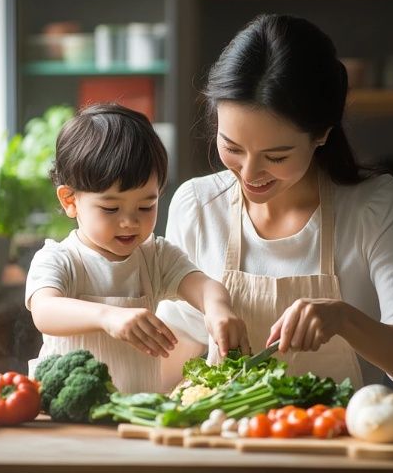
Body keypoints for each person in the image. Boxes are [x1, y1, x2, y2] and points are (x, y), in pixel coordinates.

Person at [157, 14, 393, 391]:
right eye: (232, 148)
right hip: (225, 439)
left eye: (276, 157)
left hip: (341, 441)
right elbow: (177, 342)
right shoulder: (196, 205)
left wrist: (344, 320)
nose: (249, 173)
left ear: (322, 134)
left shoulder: (374, 206)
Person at [25, 103, 249, 393]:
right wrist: (108, 317)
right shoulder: (59, 259)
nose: (130, 222)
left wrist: (218, 309)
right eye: (111, 208)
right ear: (70, 200)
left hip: (136, 414)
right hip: (65, 420)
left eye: (147, 205)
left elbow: (205, 286)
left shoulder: (154, 257)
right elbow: (44, 311)